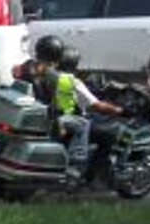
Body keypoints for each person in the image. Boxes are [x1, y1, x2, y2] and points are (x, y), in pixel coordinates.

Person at [22, 34, 118, 183]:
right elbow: (95, 105)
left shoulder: (29, 68)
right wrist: (120, 110)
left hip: (39, 113)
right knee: (89, 126)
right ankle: (76, 165)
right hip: (55, 118)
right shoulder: (64, 79)